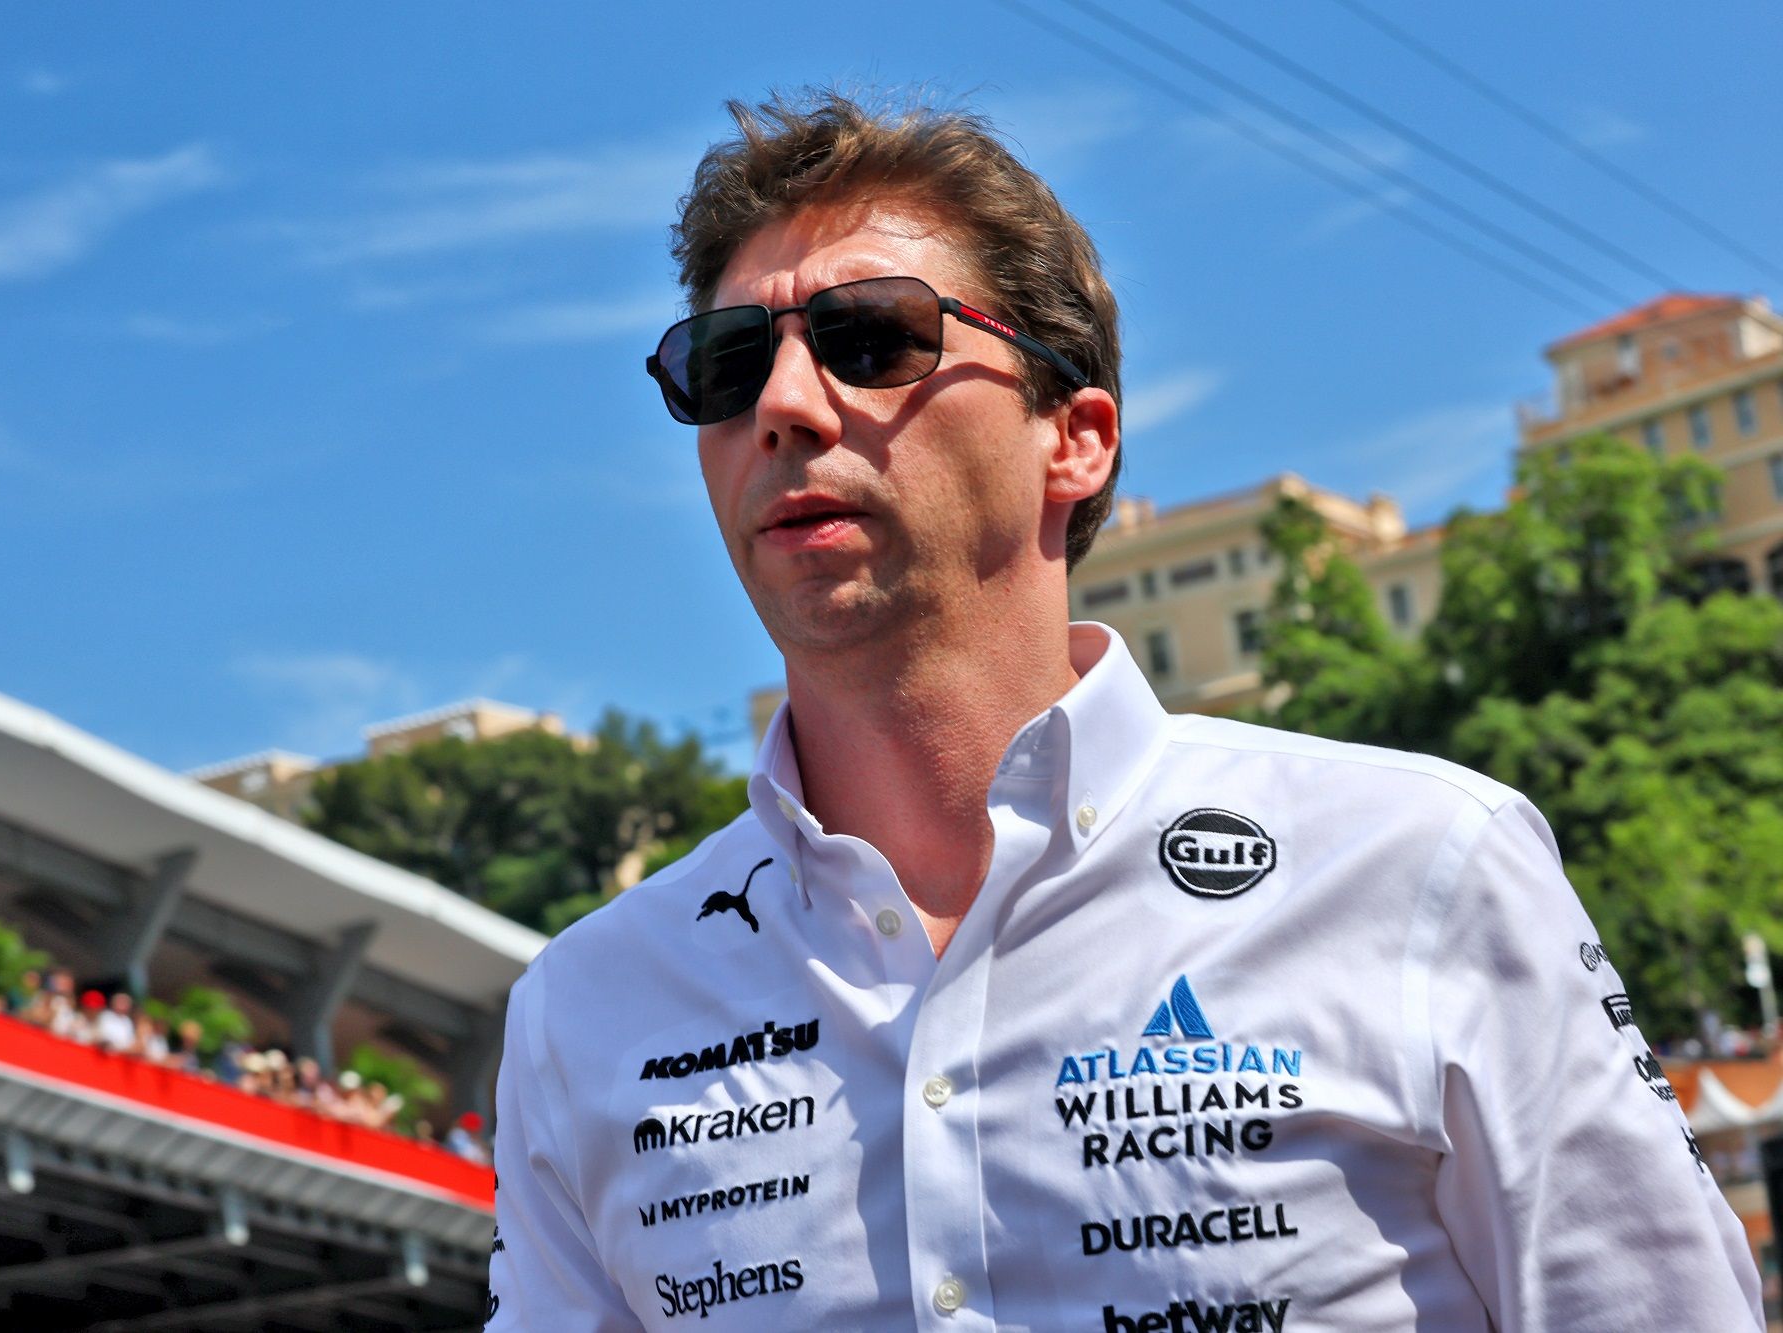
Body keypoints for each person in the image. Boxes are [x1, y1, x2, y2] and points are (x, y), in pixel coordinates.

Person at [485, 91, 1763, 1330]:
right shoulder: (583, 1010)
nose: (783, 405)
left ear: (1075, 437)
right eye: (726, 365)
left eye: (868, 340)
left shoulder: (1423, 865)